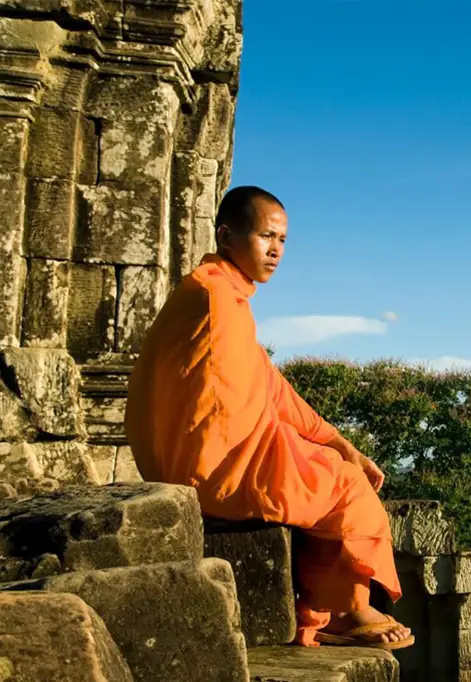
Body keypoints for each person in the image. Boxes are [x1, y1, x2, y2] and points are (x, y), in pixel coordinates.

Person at [125, 186, 413, 650]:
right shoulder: (212, 297)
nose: (276, 250)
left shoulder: (221, 294)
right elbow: (231, 402)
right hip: (211, 467)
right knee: (348, 487)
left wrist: (339, 442)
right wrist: (327, 454)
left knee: (331, 466)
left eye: (282, 240)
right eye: (265, 236)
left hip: (197, 458)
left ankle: (319, 608)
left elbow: (269, 387)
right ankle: (345, 612)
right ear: (227, 235)